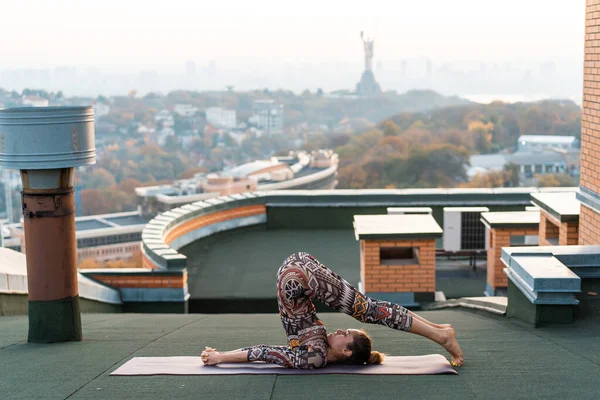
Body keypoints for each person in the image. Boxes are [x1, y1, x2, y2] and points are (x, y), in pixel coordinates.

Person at [201, 252, 464, 369]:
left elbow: (266, 352)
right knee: (369, 310)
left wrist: (221, 357)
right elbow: (265, 352)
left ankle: (440, 331)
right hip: (302, 275)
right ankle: (440, 333)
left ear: (345, 351)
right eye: (344, 330)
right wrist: (220, 358)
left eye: (344, 334)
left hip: (299, 274)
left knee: (369, 309)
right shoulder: (319, 350)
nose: (338, 329)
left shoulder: (314, 357)